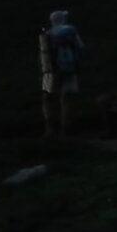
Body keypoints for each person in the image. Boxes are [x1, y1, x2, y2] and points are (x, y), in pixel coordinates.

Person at [39, 9, 85, 137]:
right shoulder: (71, 31)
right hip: (70, 69)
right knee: (67, 98)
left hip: (49, 72)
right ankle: (67, 128)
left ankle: (50, 128)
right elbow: (81, 47)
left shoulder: (47, 34)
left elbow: (43, 55)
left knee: (47, 98)